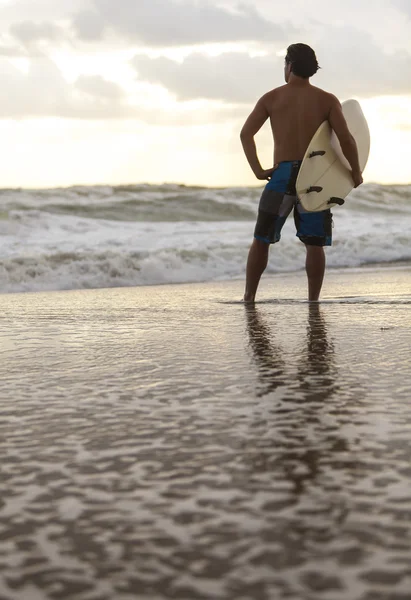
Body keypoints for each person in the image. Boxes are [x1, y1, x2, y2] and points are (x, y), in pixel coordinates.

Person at [240, 43, 363, 303]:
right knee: (314, 244)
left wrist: (258, 170)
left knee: (262, 238)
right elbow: (347, 140)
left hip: (282, 174)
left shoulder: (272, 97)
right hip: (314, 178)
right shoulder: (327, 99)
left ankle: (249, 297)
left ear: (290, 65)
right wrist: (355, 172)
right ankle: (313, 300)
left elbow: (246, 134)